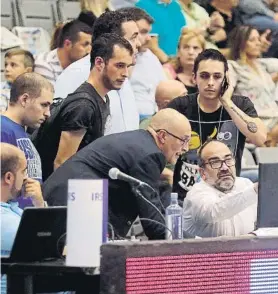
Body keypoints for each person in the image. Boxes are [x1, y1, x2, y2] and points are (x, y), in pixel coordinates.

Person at [42, 109, 192, 240]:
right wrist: (196, 241)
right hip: (71, 208)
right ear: (163, 136)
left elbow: (155, 208)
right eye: (183, 141)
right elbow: (154, 224)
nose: (185, 149)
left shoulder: (139, 143)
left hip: (69, 203)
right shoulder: (149, 154)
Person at [168, 49, 267, 200]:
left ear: (226, 79)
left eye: (217, 76)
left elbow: (260, 138)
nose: (210, 83)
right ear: (194, 77)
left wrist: (227, 102)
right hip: (187, 196)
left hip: (229, 195)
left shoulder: (240, 104)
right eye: (204, 76)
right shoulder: (181, 106)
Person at [35, 33, 134, 181]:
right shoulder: (83, 106)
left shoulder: (102, 98)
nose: (125, 74)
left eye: (128, 66)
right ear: (99, 63)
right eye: (119, 66)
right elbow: (62, 164)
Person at [53, 9, 141, 135]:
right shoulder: (75, 74)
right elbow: (62, 131)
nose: (139, 43)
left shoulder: (122, 74)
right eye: (133, 38)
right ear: (113, 42)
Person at [183, 140, 258, 238]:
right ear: (202, 173)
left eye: (228, 160)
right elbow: (213, 211)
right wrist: (255, 190)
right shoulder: (196, 194)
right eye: (215, 162)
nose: (225, 167)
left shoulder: (246, 184)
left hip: (247, 251)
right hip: (207, 252)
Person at [0, 73, 53, 207]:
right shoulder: (3, 129)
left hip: (26, 215)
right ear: (24, 100)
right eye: (44, 105)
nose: (48, 113)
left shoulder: (19, 131)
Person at [1, 143, 45, 294]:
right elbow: (51, 247)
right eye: (24, 171)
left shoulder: (12, 209)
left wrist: (39, 204)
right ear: (9, 177)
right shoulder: (6, 221)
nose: (27, 178)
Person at [228, 25, 278, 146]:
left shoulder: (263, 65)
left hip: (275, 120)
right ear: (240, 43)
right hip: (255, 121)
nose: (258, 43)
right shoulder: (233, 66)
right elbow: (226, 97)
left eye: (258, 39)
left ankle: (271, 139)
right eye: (252, 40)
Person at [127, 7, 167, 119]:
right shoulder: (117, 59)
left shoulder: (149, 55)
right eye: (143, 32)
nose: (149, 38)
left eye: (149, 32)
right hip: (132, 118)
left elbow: (164, 85)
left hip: (155, 116)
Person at [34, 20, 92, 85]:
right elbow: (50, 95)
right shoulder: (44, 64)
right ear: (67, 44)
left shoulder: (84, 65)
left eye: (91, 45)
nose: (89, 51)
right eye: (85, 44)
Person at [163, 28, 205, 94]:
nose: (191, 52)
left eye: (195, 48)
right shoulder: (167, 72)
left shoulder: (210, 75)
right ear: (178, 52)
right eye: (186, 47)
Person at [1, 49, 34, 113]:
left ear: (28, 71)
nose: (7, 69)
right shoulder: (1, 89)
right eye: (6, 65)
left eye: (13, 65)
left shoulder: (36, 92)